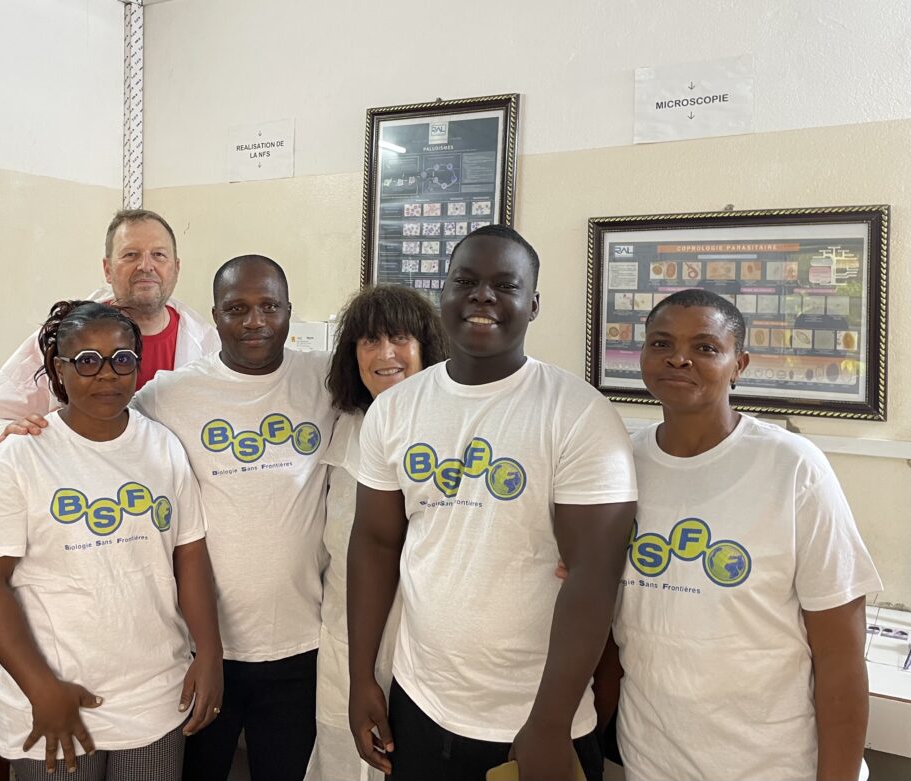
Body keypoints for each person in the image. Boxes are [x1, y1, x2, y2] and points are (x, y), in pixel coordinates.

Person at [348, 225, 638, 781]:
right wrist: (362, 678)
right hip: (420, 704)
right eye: (466, 282)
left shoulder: (580, 413)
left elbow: (594, 576)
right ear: (443, 295)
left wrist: (550, 722)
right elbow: (375, 544)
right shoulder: (395, 409)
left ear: (534, 305)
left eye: (505, 285)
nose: (483, 296)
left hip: (537, 720)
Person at [607, 288, 882, 781]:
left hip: (775, 765)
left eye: (705, 347)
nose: (679, 359)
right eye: (661, 343)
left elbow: (840, 657)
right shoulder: (618, 465)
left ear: (740, 365)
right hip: (652, 761)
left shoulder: (792, 467)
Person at [0, 300, 222, 781]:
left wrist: (209, 654)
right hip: (54, 700)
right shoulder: (21, 456)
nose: (106, 374)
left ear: (137, 366)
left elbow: (189, 556)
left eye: (121, 359)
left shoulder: (163, 446)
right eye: (86, 361)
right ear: (59, 370)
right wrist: (41, 688)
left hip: (154, 697)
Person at [131, 255, 337, 781]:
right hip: (200, 647)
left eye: (269, 306)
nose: (255, 321)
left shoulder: (326, 380)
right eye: (237, 308)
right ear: (215, 315)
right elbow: (93, 434)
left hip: (301, 644)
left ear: (289, 311)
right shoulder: (168, 395)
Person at [0, 209, 220, 535]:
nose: (146, 265)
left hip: (168, 522)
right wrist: (6, 438)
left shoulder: (208, 344)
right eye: (131, 255)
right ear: (107, 269)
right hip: (79, 519)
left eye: (158, 255)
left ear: (176, 267)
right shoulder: (66, 336)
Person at [305, 285, 448, 781]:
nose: (386, 354)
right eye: (370, 341)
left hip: (426, 646)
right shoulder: (340, 424)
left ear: (427, 349)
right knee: (343, 761)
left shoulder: (455, 427)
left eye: (400, 338)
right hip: (344, 636)